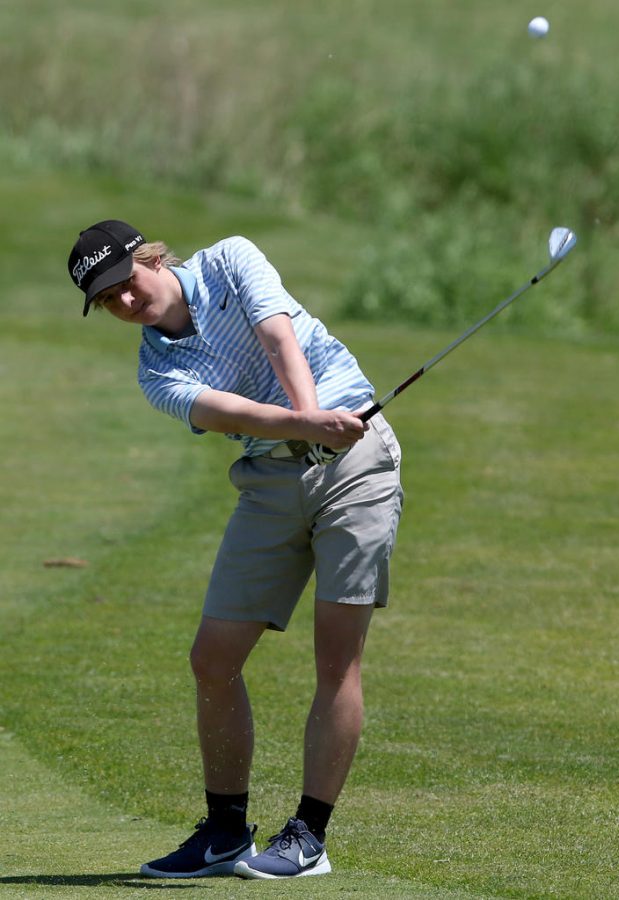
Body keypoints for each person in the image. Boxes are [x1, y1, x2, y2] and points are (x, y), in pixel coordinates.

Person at [67, 220, 403, 880]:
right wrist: (306, 428)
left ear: (150, 257)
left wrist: (315, 421)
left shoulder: (231, 259)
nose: (126, 303)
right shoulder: (155, 370)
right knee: (212, 658)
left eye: (125, 283)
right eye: (108, 301)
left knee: (336, 656)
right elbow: (232, 413)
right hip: (270, 481)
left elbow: (278, 338)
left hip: (357, 463)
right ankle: (224, 832)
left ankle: (309, 835)